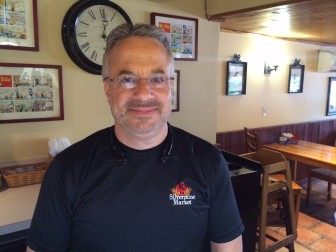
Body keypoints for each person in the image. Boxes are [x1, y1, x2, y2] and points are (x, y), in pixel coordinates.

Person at [26, 23, 244, 252]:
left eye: (157, 79)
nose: (142, 94)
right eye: (127, 79)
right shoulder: (67, 169)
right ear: (108, 90)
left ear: (171, 87)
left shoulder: (208, 161)